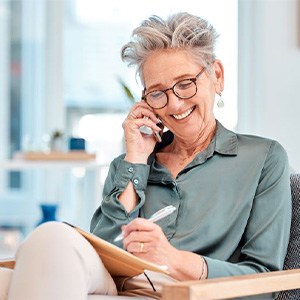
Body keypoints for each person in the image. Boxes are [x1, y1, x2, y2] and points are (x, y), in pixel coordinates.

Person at [0, 12, 291, 300]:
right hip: (118, 288)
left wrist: (172, 259)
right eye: (157, 92)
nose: (174, 103)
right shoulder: (129, 164)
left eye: (186, 83)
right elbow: (103, 253)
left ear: (216, 76)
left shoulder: (262, 158)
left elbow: (264, 280)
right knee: (48, 240)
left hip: (183, 293)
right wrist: (137, 159)